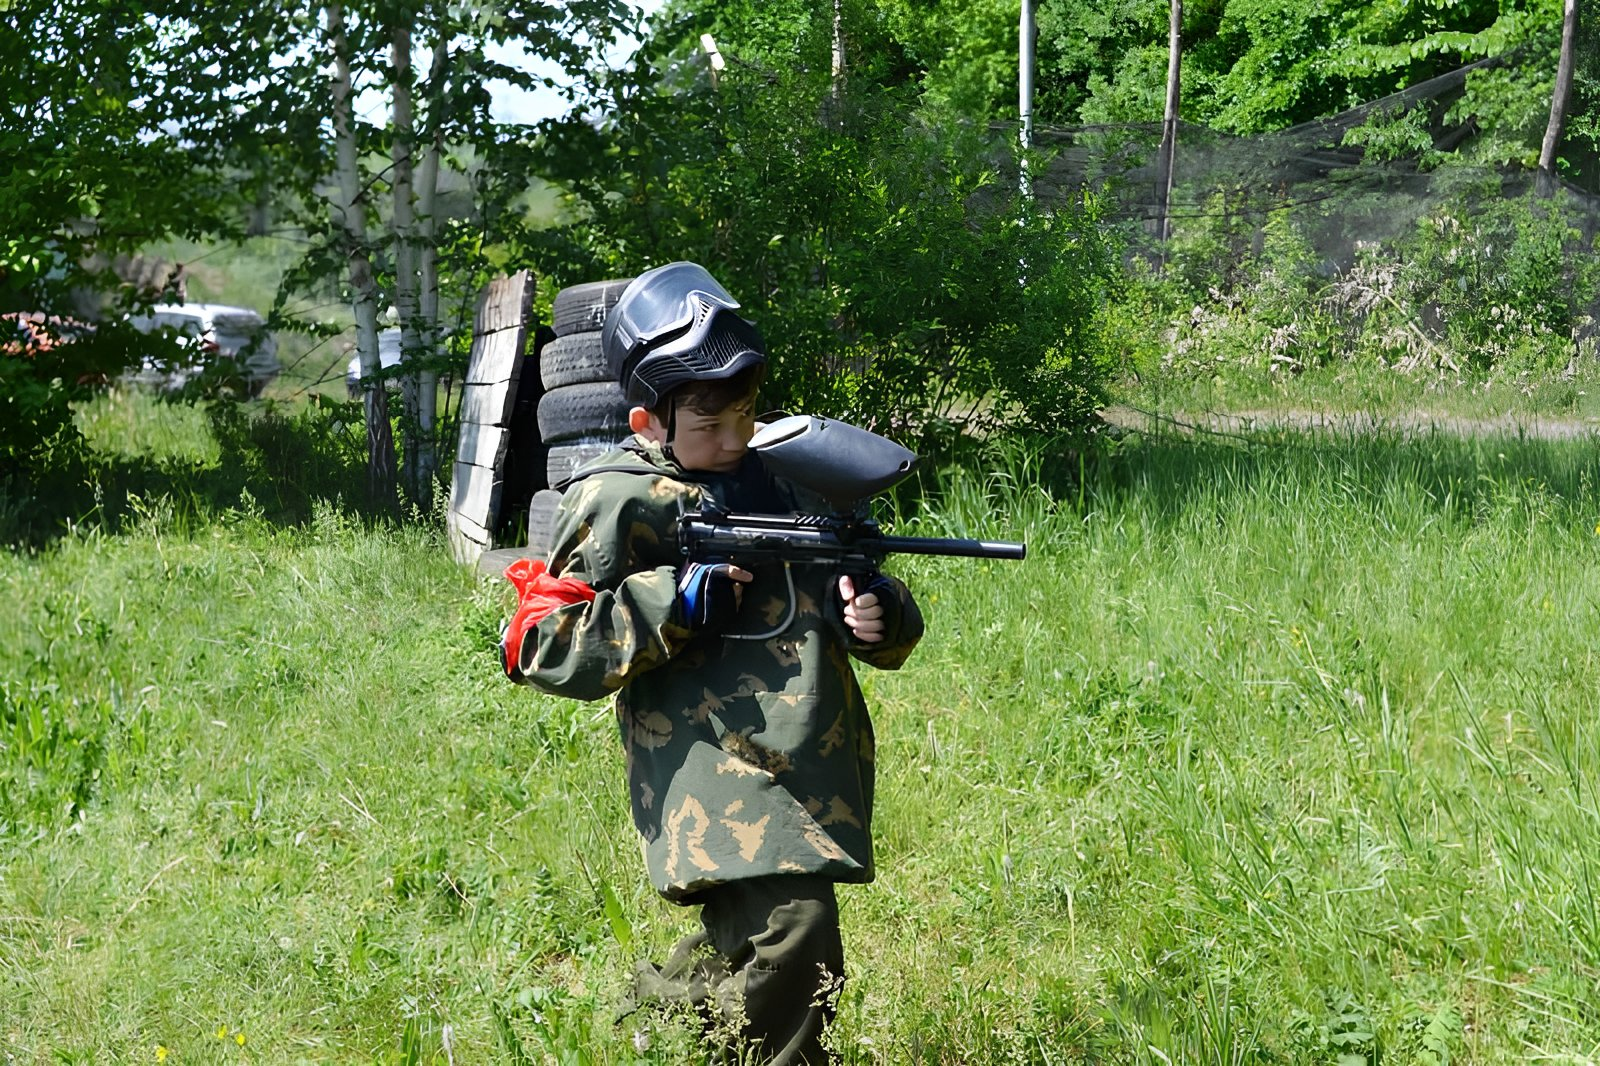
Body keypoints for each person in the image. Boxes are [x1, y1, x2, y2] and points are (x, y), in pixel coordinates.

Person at [499, 261, 924, 1064]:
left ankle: (655, 1024)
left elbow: (875, 610)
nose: (733, 442)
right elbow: (538, 644)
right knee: (797, 932)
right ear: (648, 421)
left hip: (809, 765)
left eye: (745, 416)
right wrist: (672, 606)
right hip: (704, 769)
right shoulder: (620, 499)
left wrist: (878, 616)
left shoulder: (794, 480)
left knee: (753, 941)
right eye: (709, 426)